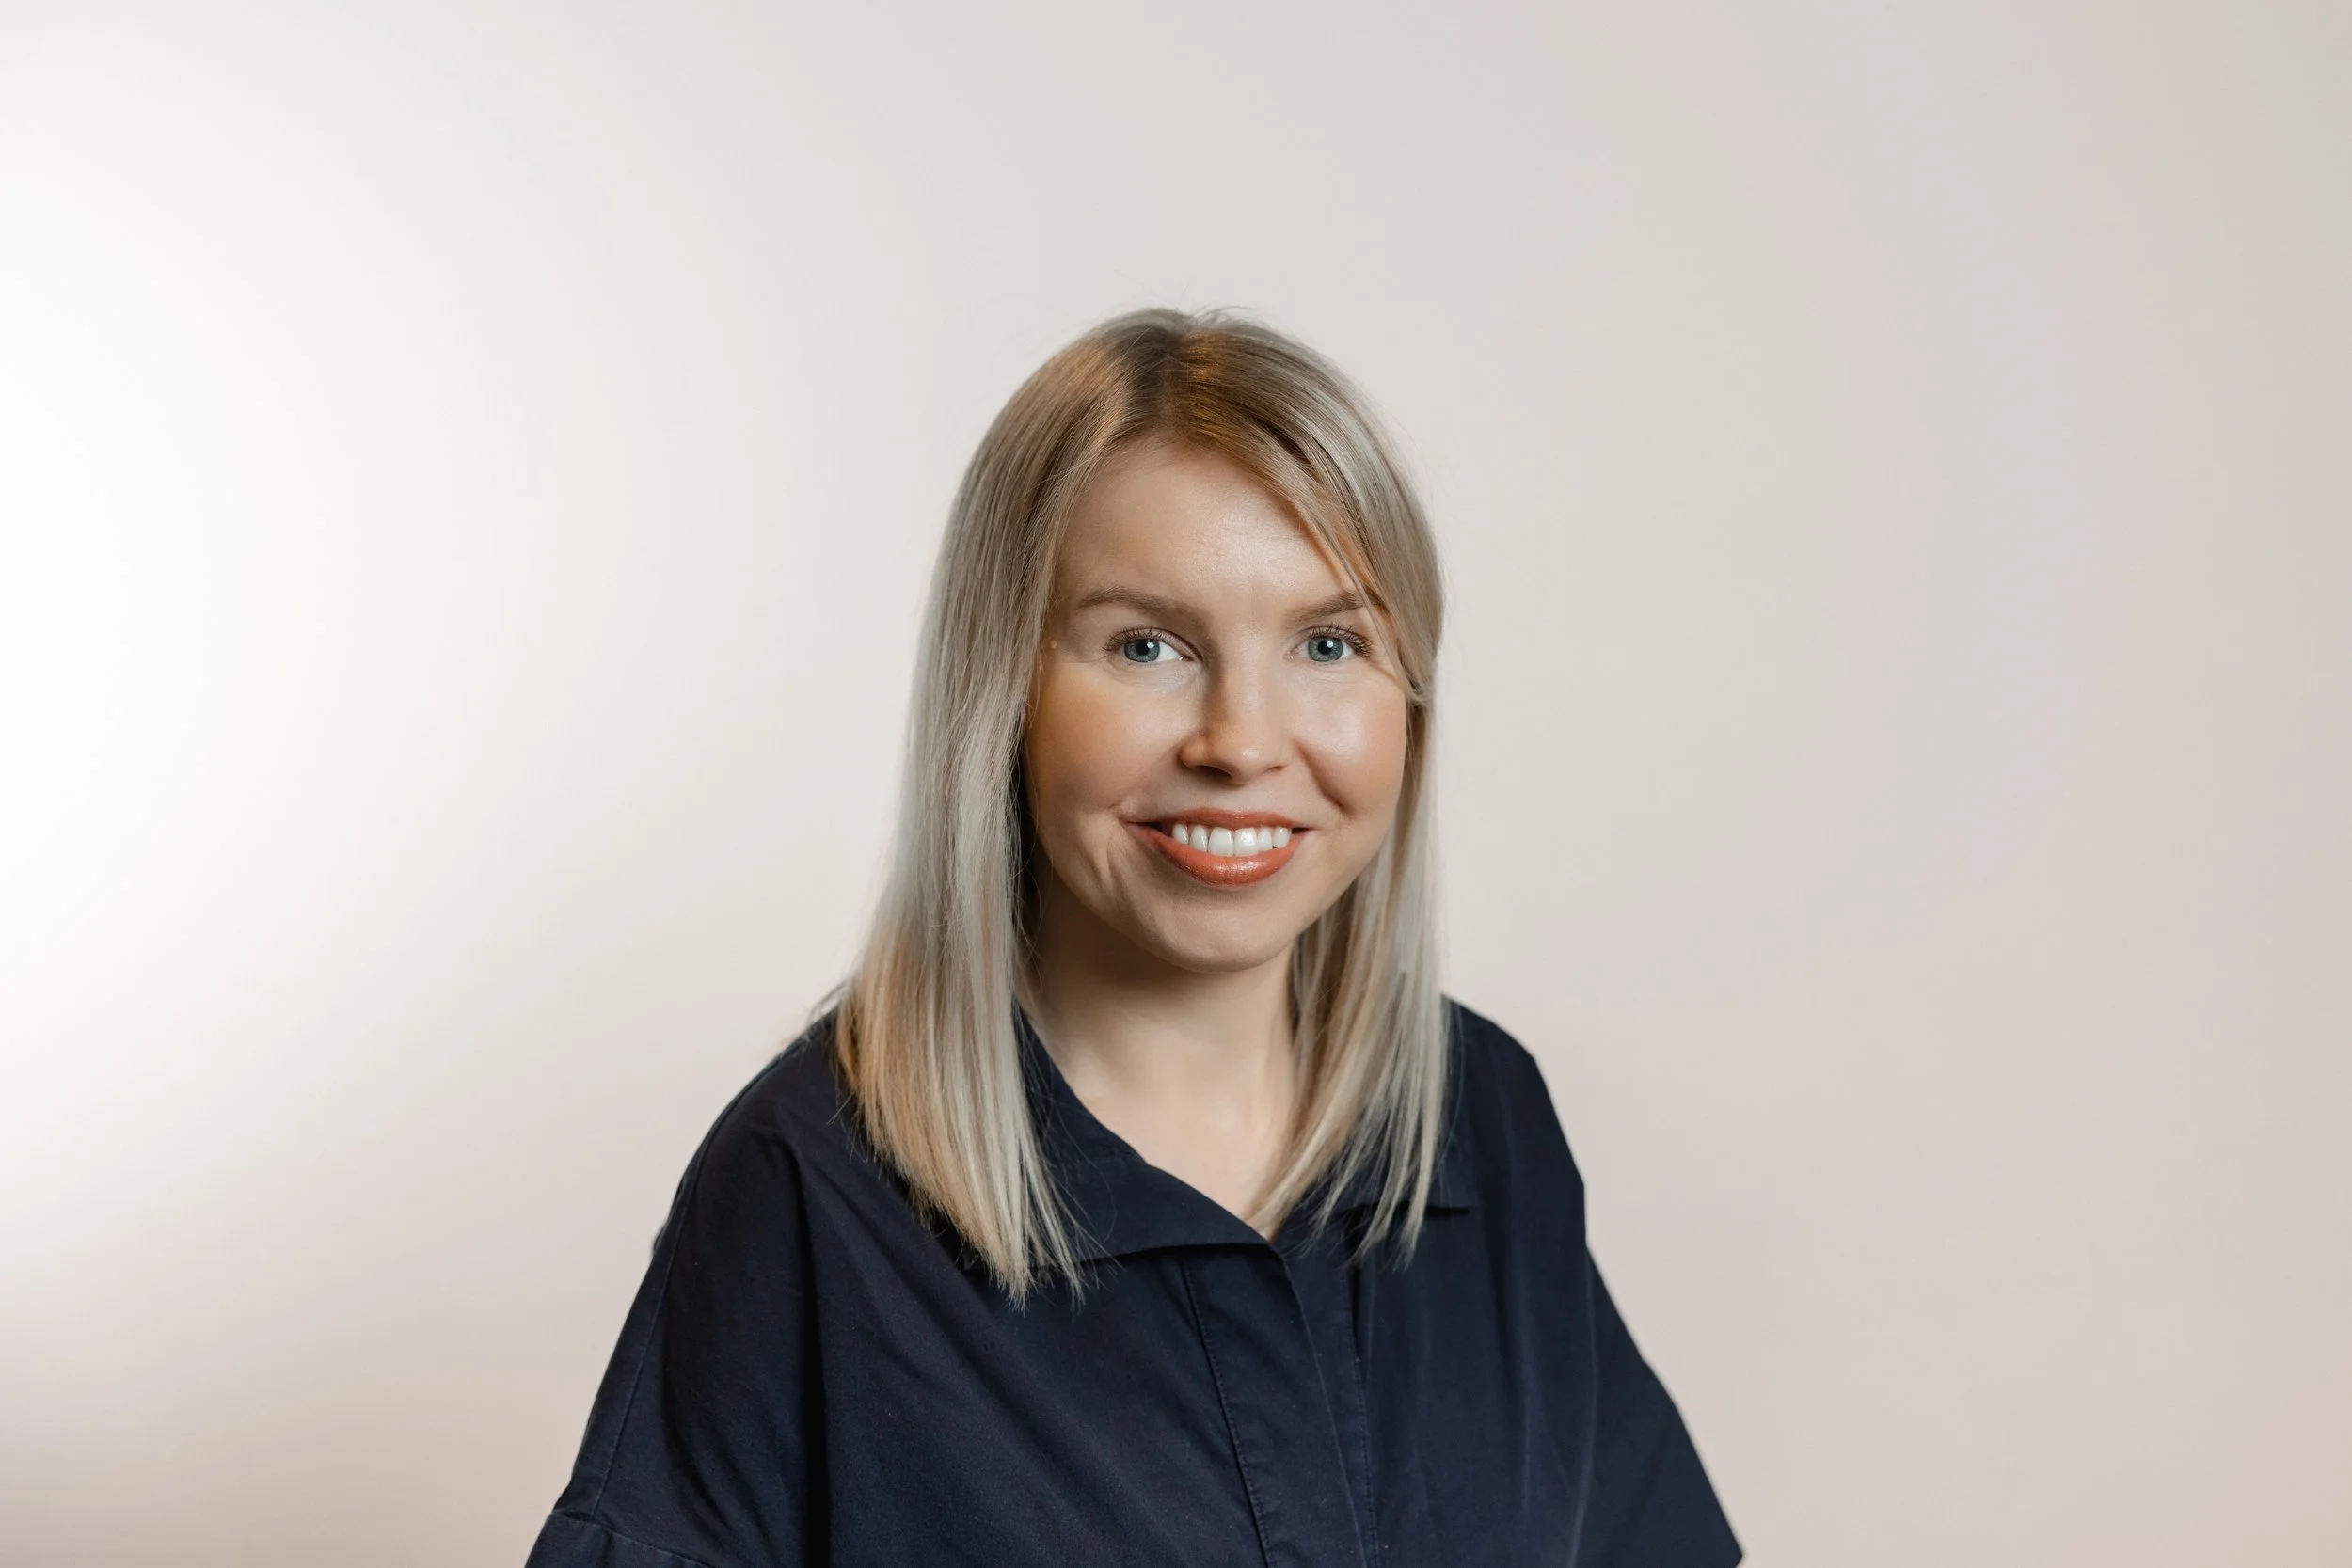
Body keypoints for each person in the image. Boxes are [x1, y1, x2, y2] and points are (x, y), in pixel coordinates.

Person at [523, 309, 1741, 1567]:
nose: (1243, 740)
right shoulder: (810, 1192)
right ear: (1002, 690)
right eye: (1147, 645)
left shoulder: (1481, 1118)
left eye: (1329, 643)